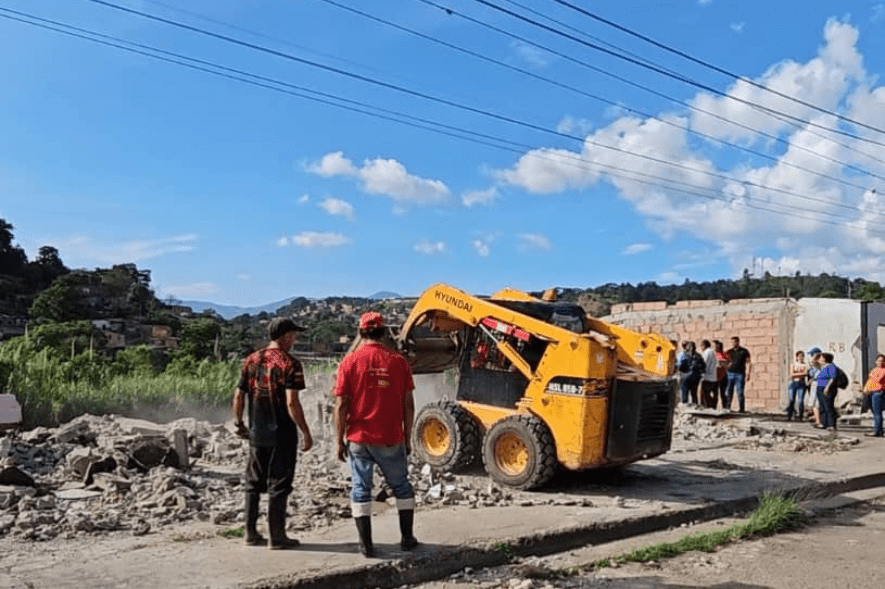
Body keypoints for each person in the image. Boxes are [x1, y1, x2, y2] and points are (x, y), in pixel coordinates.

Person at [334, 311, 419, 558]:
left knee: (361, 490)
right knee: (401, 487)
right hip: (391, 437)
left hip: (359, 438)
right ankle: (406, 538)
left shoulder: (349, 362)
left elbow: (341, 405)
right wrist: (408, 436)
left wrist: (339, 440)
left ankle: (366, 545)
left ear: (360, 333)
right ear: (383, 333)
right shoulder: (399, 362)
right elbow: (408, 405)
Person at [232, 317, 313, 549]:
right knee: (279, 484)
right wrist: (305, 431)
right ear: (286, 336)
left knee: (253, 483)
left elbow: (238, 396)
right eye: (294, 335)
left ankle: (250, 533)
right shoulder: (291, 364)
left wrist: (239, 423)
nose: (295, 339)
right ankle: (277, 536)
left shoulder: (251, 360)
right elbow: (291, 403)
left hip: (257, 434)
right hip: (283, 435)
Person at [724, 336, 751, 412]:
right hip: (730, 373)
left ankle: (741, 409)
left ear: (738, 342)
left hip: (740, 374)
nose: (733, 343)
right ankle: (728, 408)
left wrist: (748, 374)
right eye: (732, 342)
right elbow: (724, 362)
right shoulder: (729, 352)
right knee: (729, 391)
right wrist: (726, 367)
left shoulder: (744, 351)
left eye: (735, 342)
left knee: (740, 392)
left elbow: (749, 363)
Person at [862, 353, 885, 437]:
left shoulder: (883, 370)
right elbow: (870, 381)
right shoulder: (874, 370)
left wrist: (869, 389)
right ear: (876, 361)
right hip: (871, 392)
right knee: (874, 412)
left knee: (877, 412)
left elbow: (878, 381)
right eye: (879, 360)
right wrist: (865, 389)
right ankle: (879, 430)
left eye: (882, 361)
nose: (880, 362)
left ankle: (877, 431)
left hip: (878, 392)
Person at [816, 352, 838, 433]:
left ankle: (831, 424)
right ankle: (824, 423)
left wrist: (827, 387)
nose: (820, 359)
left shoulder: (831, 366)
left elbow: (833, 378)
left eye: (821, 358)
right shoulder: (822, 367)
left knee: (828, 406)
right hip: (820, 387)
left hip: (827, 388)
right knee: (822, 406)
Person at [786, 350, 807, 421]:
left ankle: (800, 415)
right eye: (799, 356)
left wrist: (796, 374)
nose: (801, 358)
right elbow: (791, 374)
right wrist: (801, 374)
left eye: (802, 356)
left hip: (801, 383)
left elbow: (805, 374)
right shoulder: (793, 364)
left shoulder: (805, 365)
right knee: (791, 399)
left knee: (800, 400)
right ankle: (790, 414)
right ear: (797, 357)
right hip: (793, 383)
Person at [806, 347, 823, 425]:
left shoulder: (818, 363)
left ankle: (818, 421)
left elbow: (813, 373)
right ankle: (816, 418)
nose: (811, 357)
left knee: (815, 403)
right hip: (817, 382)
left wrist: (813, 359)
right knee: (816, 403)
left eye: (812, 355)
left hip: (817, 383)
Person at [699, 339, 718, 408]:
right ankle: (713, 407)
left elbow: (704, 364)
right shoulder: (713, 352)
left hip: (707, 377)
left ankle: (707, 407)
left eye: (701, 346)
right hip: (714, 377)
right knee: (713, 395)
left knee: (705, 395)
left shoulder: (706, 353)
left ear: (704, 346)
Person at [714, 340, 729, 409]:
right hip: (715, 376)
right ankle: (714, 407)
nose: (715, 347)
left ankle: (725, 407)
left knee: (724, 393)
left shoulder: (724, 354)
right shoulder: (713, 354)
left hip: (723, 376)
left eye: (717, 346)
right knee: (715, 394)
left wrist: (723, 364)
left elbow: (727, 363)